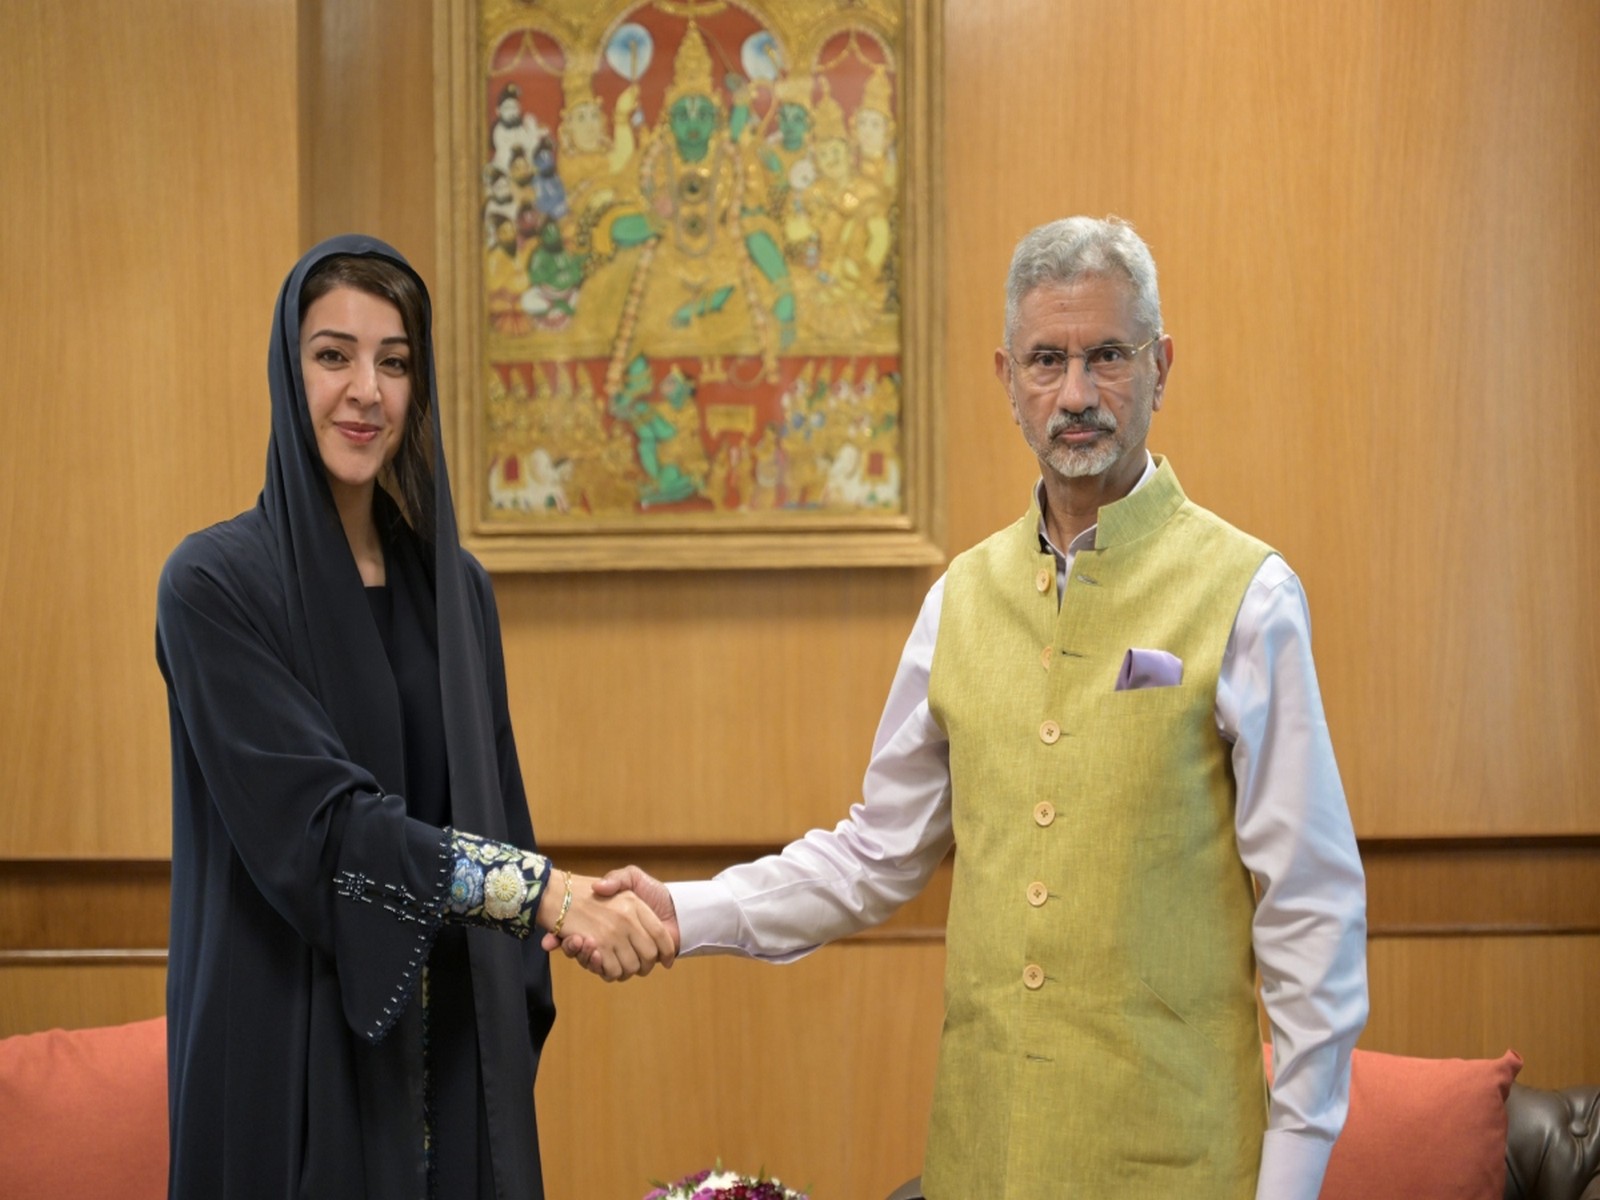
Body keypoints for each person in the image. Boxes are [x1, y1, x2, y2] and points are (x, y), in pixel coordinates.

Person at [557, 217, 1370, 1199]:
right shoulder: (959, 599)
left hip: (1179, 1166)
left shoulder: (1249, 594)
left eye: (1106, 356)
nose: (1075, 394)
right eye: (1046, 361)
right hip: (980, 1161)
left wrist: (1287, 1186)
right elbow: (875, 852)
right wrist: (681, 912)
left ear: (1161, 365)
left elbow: (1311, 913)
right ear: (1006, 379)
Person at [156, 234, 674, 1200]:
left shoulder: (455, 592)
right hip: (287, 1046)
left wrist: (550, 909)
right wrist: (542, 893)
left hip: (448, 1051)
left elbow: (497, 811)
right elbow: (323, 830)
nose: (366, 391)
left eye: (394, 362)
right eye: (333, 355)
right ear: (287, 369)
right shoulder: (214, 586)